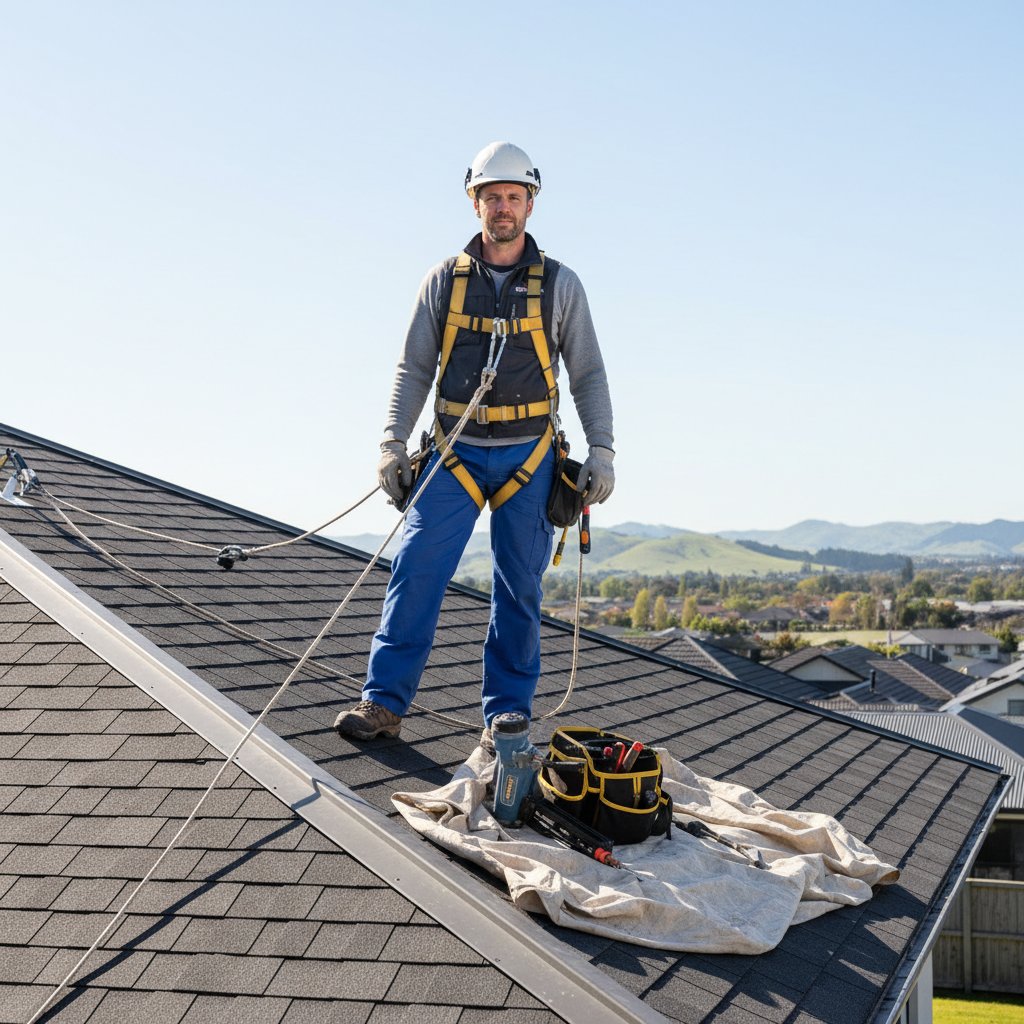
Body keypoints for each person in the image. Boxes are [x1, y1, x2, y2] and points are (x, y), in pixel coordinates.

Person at [334, 141, 614, 742]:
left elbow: (587, 372)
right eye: (492, 197)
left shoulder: (561, 286)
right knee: (414, 571)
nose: (503, 208)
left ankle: (505, 716)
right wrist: (392, 442)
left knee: (519, 588)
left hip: (530, 455)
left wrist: (604, 451)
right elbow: (413, 368)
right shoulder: (445, 281)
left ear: (531, 205)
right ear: (475, 203)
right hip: (454, 452)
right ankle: (382, 703)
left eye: (514, 197)